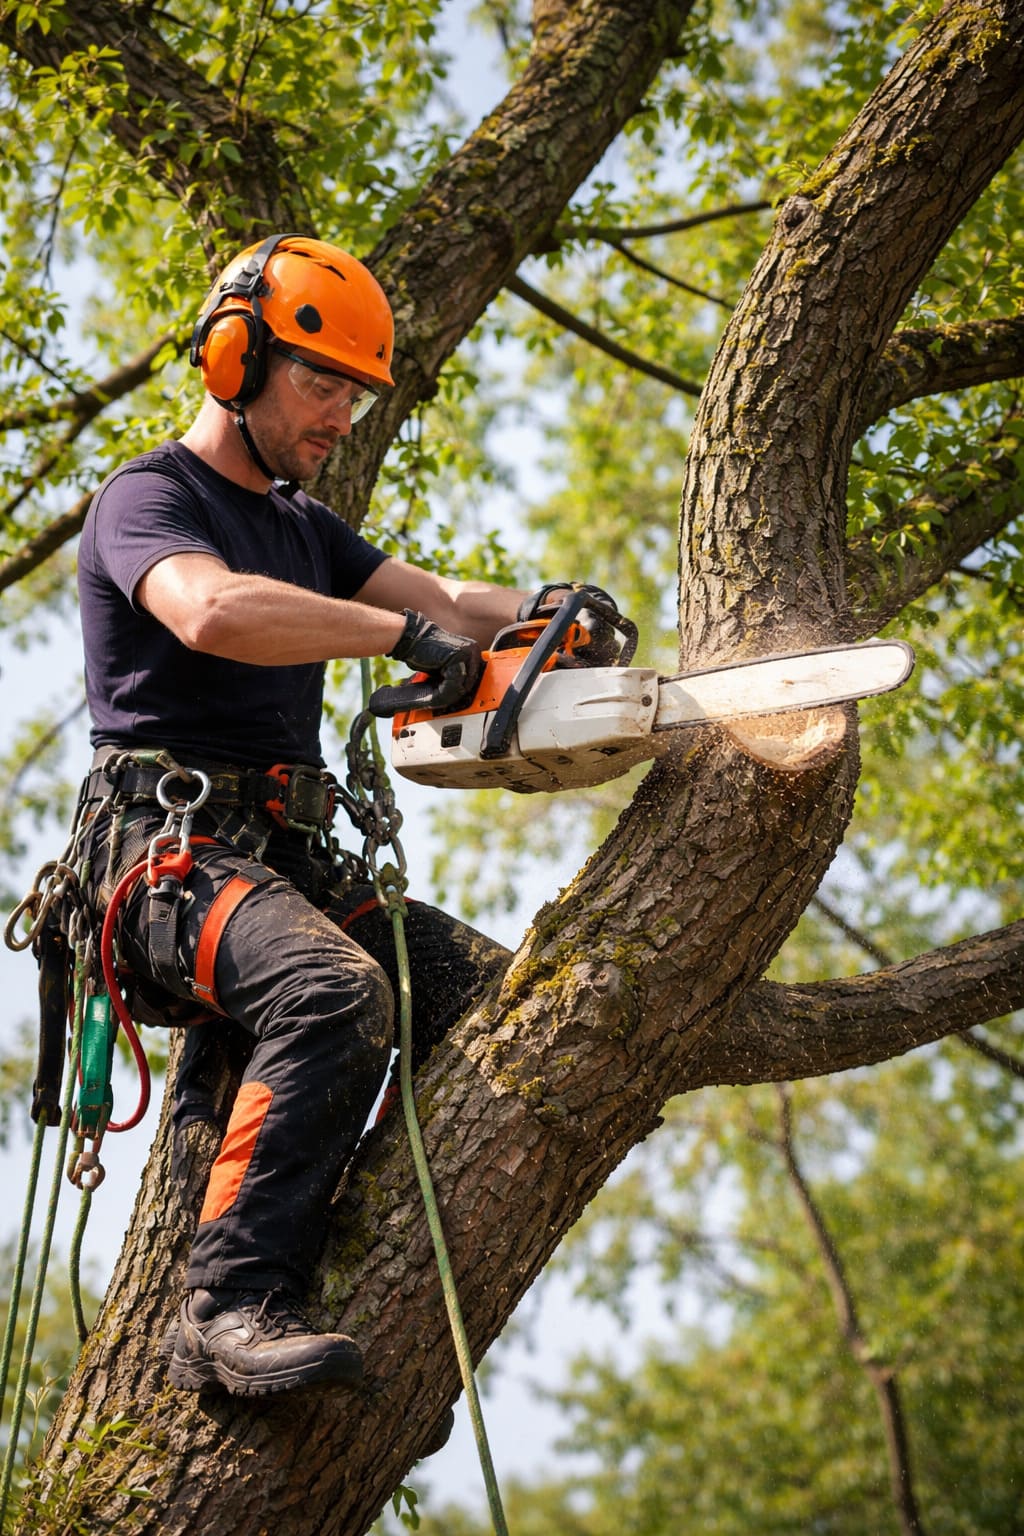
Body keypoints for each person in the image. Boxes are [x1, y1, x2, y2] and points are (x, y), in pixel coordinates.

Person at [75, 233, 592, 1399]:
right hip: (160, 858)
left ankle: (341, 1257)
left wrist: (548, 613)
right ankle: (226, 1307)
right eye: (322, 384)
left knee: (502, 1004)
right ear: (234, 357)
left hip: (283, 861)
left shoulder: (305, 527)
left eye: (356, 394)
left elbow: (441, 597)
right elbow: (211, 611)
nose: (342, 417)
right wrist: (401, 638)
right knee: (334, 990)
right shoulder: (148, 498)